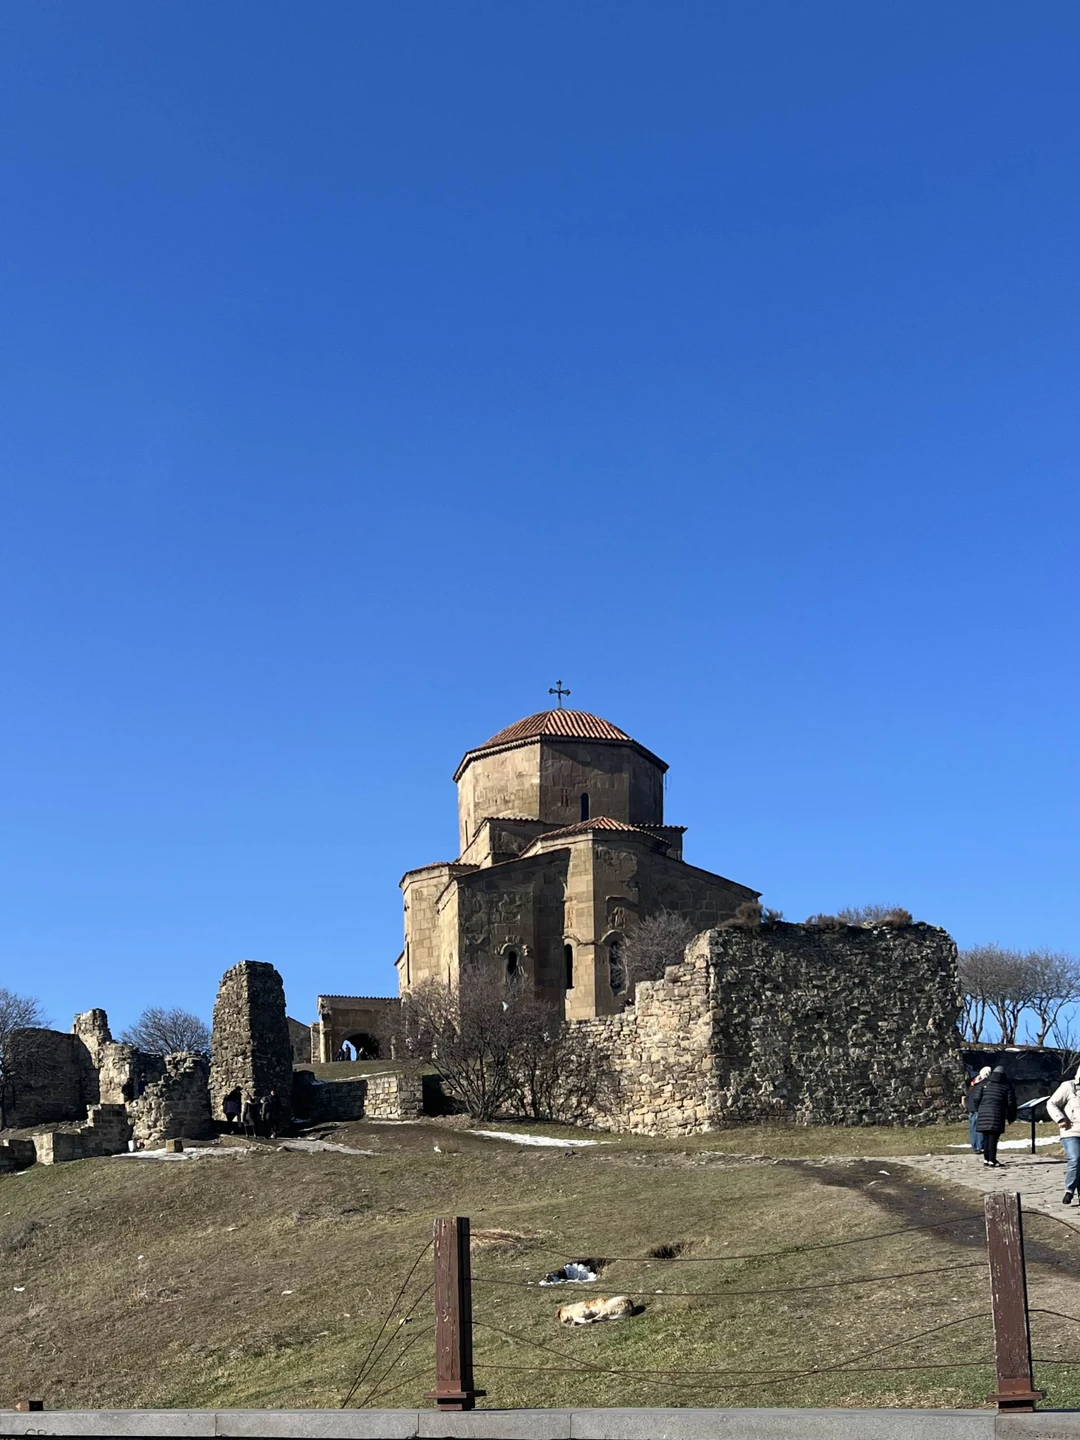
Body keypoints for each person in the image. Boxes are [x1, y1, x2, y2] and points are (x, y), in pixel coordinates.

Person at [1045, 1065, 1080, 1205]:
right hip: (1071, 1131)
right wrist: (1060, 1118)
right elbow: (1051, 1103)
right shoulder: (1069, 1087)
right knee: (1075, 1158)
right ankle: (1069, 1190)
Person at [975, 1064, 1017, 1167]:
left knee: (986, 1137)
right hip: (997, 1114)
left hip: (983, 1113)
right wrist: (1011, 1117)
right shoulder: (1005, 1086)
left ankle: (986, 1158)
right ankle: (992, 1159)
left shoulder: (984, 1084)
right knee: (993, 1137)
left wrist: (979, 1109)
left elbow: (976, 1098)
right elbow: (1011, 1103)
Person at [966, 1066, 992, 1154]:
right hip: (978, 1107)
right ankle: (980, 1146)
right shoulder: (984, 1083)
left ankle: (974, 1146)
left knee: (973, 1127)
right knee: (980, 1127)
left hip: (971, 1106)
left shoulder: (974, 1082)